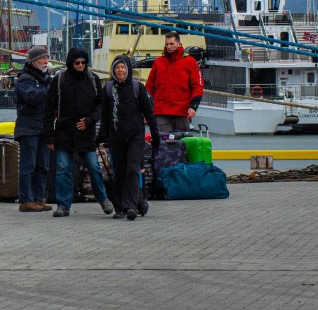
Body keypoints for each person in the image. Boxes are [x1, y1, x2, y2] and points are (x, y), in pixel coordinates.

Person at [45, 47, 114, 218]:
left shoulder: (93, 79)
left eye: (84, 62)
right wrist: (49, 136)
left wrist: (90, 120)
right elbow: (48, 109)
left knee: (94, 167)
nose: (81, 65)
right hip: (64, 132)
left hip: (86, 133)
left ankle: (103, 199)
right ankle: (63, 205)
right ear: (71, 63)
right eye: (77, 62)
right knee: (63, 169)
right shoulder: (60, 80)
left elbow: (101, 105)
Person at [99, 55, 160, 220]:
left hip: (135, 136)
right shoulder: (108, 88)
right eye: (117, 67)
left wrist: (155, 135)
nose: (120, 70)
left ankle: (131, 206)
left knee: (132, 170)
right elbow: (105, 115)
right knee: (119, 172)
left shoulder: (137, 87)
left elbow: (149, 113)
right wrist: (101, 136)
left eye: (123, 67)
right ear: (113, 70)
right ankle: (120, 207)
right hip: (116, 136)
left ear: (128, 69)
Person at [14, 46, 53, 212]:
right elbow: (32, 97)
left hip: (43, 127)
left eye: (46, 58)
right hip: (28, 127)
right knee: (28, 165)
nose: (46, 62)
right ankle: (26, 200)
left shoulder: (45, 78)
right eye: (42, 59)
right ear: (33, 61)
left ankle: (38, 198)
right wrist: (49, 90)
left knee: (43, 165)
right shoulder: (25, 79)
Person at [145, 32, 205, 134]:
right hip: (162, 112)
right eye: (167, 44)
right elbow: (149, 87)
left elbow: (197, 86)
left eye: (171, 44)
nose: (169, 47)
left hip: (182, 112)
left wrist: (193, 106)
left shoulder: (190, 62)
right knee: (164, 145)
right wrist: (147, 109)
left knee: (183, 144)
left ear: (179, 44)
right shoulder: (158, 62)